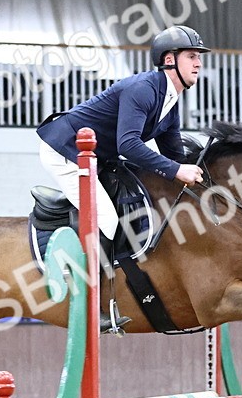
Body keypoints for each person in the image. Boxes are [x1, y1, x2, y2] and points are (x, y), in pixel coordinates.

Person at [36, 25, 211, 245]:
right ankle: (82, 278)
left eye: (199, 57)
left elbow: (176, 157)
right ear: (169, 59)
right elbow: (127, 145)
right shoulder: (142, 89)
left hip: (97, 156)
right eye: (191, 56)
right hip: (65, 149)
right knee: (107, 221)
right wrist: (177, 170)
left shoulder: (171, 103)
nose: (199, 63)